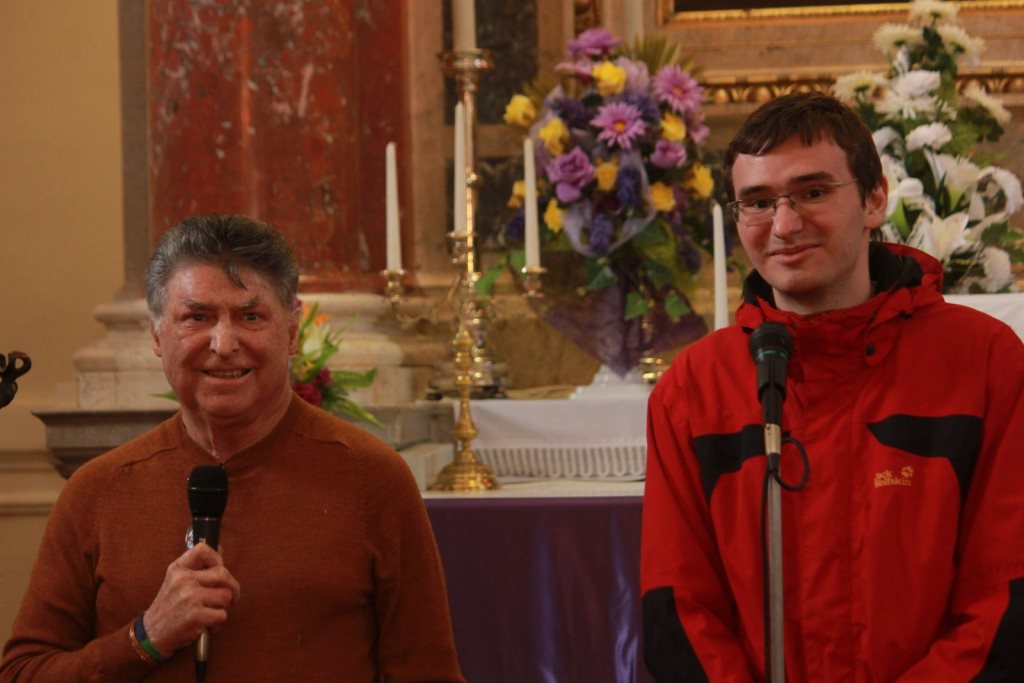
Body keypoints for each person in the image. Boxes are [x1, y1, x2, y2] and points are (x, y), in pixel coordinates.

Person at [641, 91, 1024, 681]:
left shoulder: (985, 362)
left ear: (874, 199)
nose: (785, 225)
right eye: (758, 202)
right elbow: (679, 608)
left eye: (813, 192)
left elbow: (1006, 596)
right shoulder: (693, 389)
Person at [1, 215, 464, 682]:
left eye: (250, 317)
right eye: (197, 318)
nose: (224, 344)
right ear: (157, 336)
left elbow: (428, 672)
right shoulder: (98, 490)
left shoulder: (372, 478)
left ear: (291, 333)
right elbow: (24, 672)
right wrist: (146, 637)